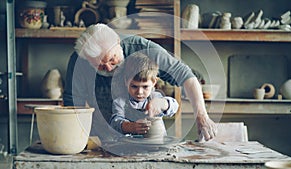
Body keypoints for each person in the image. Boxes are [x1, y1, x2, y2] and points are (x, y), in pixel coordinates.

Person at [63, 23, 216, 142]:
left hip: (148, 140)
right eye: (99, 65)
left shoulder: (142, 49)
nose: (108, 68)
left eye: (111, 59)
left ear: (118, 41)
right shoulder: (80, 60)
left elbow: (186, 76)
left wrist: (201, 116)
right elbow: (72, 103)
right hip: (104, 137)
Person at [109, 53, 179, 135]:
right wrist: (130, 126)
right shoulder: (120, 102)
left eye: (145, 87)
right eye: (134, 86)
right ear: (126, 81)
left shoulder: (155, 97)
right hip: (130, 145)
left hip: (157, 144)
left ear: (153, 82)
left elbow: (175, 106)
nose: (139, 92)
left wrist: (163, 103)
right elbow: (114, 123)